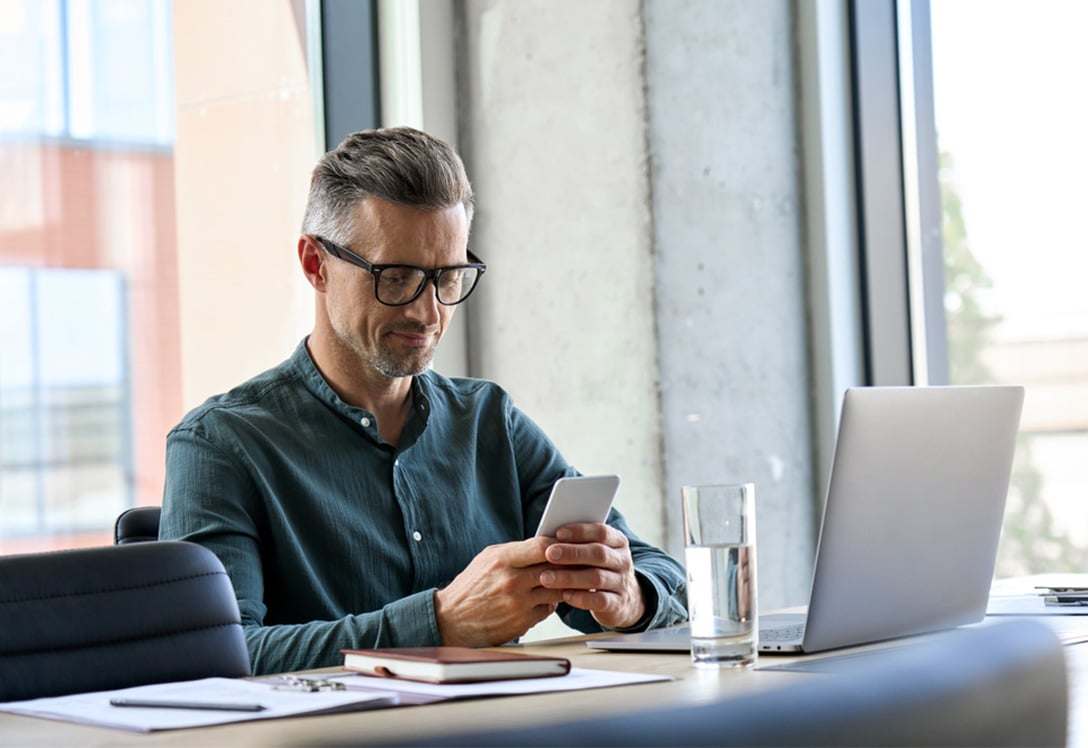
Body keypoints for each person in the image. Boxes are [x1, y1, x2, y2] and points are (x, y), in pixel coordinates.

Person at [159, 127, 688, 675]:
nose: (428, 312)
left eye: (448, 277)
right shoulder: (221, 444)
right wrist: (439, 623)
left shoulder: (489, 422)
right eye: (398, 277)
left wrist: (626, 598)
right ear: (316, 265)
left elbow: (656, 571)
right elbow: (214, 655)